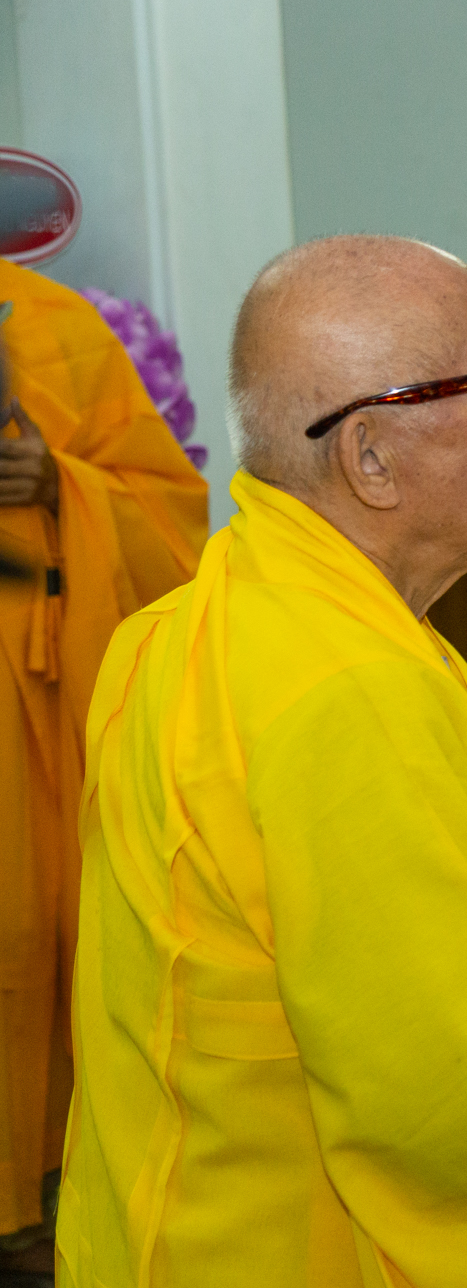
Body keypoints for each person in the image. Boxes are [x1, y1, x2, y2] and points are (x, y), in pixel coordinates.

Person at [57, 236, 467, 1286]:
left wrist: (464, 831)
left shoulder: (190, 624)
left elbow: (277, 904)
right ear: (369, 458)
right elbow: (456, 1101)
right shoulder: (352, 687)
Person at [0, 261, 208, 1272]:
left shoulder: (58, 323)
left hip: (51, 704)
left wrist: (61, 487)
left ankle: (51, 1193)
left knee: (56, 933)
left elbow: (172, 515)